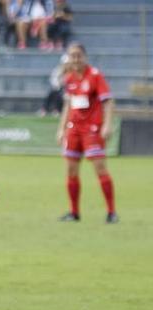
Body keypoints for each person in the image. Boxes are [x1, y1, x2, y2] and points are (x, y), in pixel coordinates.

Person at [57, 42, 117, 224]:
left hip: (92, 128)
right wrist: (61, 128)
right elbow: (68, 104)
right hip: (74, 129)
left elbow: (108, 102)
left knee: (100, 168)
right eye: (72, 56)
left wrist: (107, 124)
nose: (75, 59)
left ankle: (111, 212)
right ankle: (74, 212)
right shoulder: (69, 78)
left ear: (85, 57)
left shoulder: (95, 76)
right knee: (71, 170)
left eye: (78, 55)